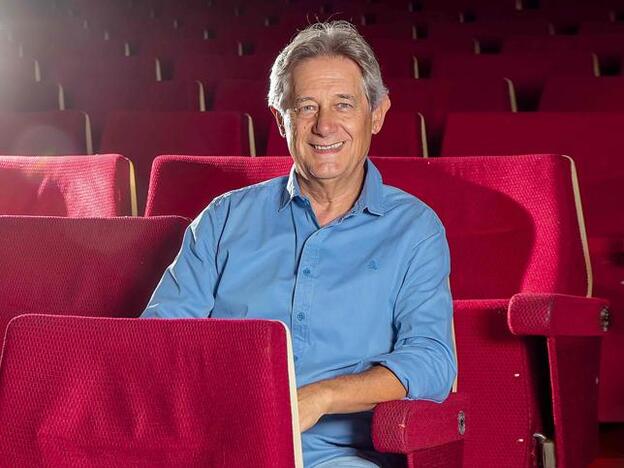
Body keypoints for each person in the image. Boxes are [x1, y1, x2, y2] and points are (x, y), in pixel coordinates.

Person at [142, 21, 456, 468]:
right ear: (280, 119)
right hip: (211, 446)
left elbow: (431, 362)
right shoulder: (223, 218)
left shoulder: (416, 229)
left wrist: (321, 397)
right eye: (306, 107)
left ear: (377, 113)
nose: (324, 125)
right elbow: (158, 337)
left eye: (343, 104)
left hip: (339, 456)